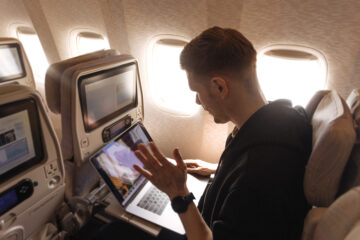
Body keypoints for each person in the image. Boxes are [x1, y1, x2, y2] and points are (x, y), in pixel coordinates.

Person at [133, 26, 312, 240]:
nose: (197, 101)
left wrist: (178, 194)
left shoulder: (260, 170)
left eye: (197, 92)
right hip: (207, 218)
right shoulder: (281, 117)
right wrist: (217, 172)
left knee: (115, 230)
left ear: (219, 87)